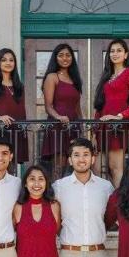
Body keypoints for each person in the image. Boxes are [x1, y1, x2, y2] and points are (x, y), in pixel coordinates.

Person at [93, 38, 129, 188]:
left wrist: (119, 116)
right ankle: (110, 197)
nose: (115, 54)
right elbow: (100, 106)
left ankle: (120, 201)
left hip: (119, 125)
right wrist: (95, 132)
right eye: (112, 51)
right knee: (96, 168)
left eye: (119, 51)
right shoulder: (106, 76)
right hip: (103, 127)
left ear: (126, 54)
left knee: (116, 168)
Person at [41, 43, 84, 179]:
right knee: (58, 167)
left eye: (68, 55)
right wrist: (58, 117)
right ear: (56, 58)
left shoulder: (75, 80)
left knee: (73, 165)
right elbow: (48, 106)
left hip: (73, 126)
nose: (65, 58)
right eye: (61, 55)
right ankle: (55, 192)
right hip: (57, 126)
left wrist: (82, 127)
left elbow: (77, 108)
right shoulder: (52, 77)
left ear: (72, 58)